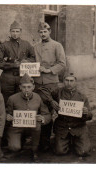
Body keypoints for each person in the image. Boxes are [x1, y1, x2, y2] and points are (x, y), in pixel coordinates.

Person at [38, 72, 92, 156]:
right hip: (62, 126)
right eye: (67, 80)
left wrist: (86, 113)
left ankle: (76, 140)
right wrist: (51, 101)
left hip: (78, 126)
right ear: (63, 81)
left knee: (84, 151)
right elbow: (42, 90)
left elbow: (90, 115)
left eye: (71, 81)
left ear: (75, 82)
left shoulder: (82, 96)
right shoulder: (57, 92)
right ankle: (66, 140)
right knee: (60, 151)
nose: (69, 83)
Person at [33, 22, 66, 151]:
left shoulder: (57, 46)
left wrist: (49, 70)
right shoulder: (35, 46)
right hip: (37, 83)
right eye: (40, 32)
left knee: (49, 111)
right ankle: (40, 140)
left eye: (45, 31)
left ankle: (46, 141)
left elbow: (62, 64)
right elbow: (32, 61)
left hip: (51, 82)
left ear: (49, 31)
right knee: (39, 111)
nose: (43, 34)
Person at [5, 73, 51, 162]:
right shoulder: (12, 99)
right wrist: (8, 117)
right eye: (24, 87)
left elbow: (47, 114)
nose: (26, 90)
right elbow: (6, 113)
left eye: (29, 87)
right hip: (16, 128)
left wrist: (42, 119)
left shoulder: (37, 97)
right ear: (20, 87)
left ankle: (34, 150)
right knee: (14, 147)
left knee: (37, 125)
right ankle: (19, 142)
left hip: (32, 127)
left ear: (33, 87)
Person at [0, 20, 36, 103]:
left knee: (21, 100)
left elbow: (34, 58)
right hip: (7, 77)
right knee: (7, 100)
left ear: (21, 32)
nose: (15, 33)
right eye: (13, 31)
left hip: (22, 77)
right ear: (10, 31)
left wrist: (26, 61)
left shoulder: (26, 44)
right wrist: (13, 65)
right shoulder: (4, 45)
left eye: (17, 31)